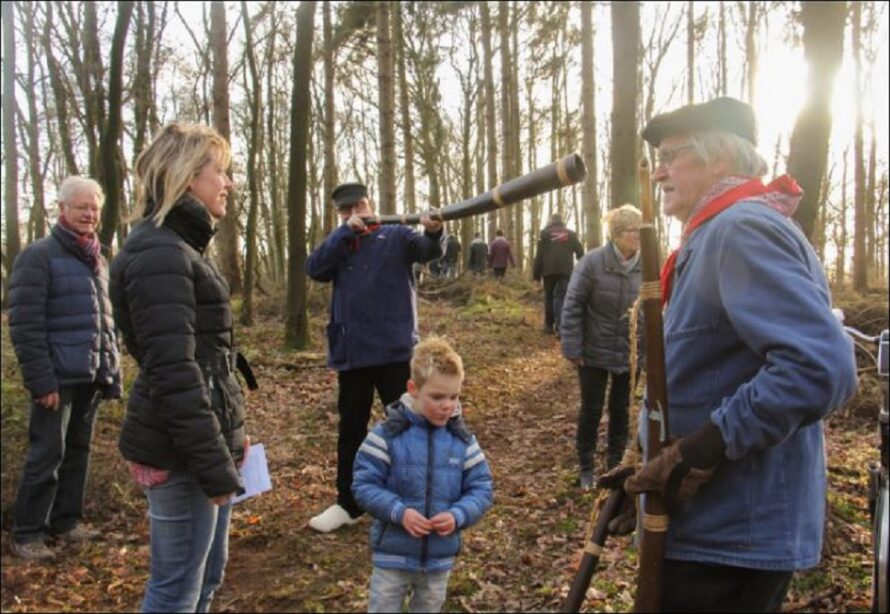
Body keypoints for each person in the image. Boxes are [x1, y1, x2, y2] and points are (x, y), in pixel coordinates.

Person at [601, 96, 857, 612]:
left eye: (672, 156)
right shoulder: (716, 234)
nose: (659, 173)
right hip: (713, 531)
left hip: (732, 537)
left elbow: (819, 368)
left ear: (718, 157)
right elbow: (708, 371)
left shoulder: (740, 230)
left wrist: (697, 451)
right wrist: (652, 456)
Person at [110, 123, 253, 612]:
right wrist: (214, 462)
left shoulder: (180, 248)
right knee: (176, 592)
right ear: (189, 175)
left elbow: (209, 361)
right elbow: (173, 371)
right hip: (180, 455)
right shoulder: (159, 255)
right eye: (222, 171)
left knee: (206, 579)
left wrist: (230, 437)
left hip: (200, 443)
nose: (229, 184)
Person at [306, 182, 446, 533]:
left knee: (407, 427)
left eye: (360, 205)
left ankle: (416, 500)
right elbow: (314, 269)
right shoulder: (339, 242)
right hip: (352, 354)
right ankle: (348, 503)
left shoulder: (397, 234)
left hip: (395, 350)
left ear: (370, 203)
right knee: (351, 431)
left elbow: (428, 250)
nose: (355, 213)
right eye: (346, 209)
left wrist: (435, 230)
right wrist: (342, 234)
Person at [7, 176, 122, 561]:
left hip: (89, 375)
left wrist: (110, 371)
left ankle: (67, 522)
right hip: (55, 378)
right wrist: (41, 380)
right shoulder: (38, 257)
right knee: (46, 454)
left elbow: (105, 320)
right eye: (81, 207)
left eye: (94, 208)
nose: (89, 214)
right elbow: (25, 324)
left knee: (79, 452)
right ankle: (27, 533)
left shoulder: (97, 258)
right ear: (62, 209)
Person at [352, 337, 493, 613]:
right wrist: (399, 512)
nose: (447, 405)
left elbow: (482, 488)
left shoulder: (462, 440)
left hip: (439, 558)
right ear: (413, 389)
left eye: (454, 397)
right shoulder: (387, 435)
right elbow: (363, 484)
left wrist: (458, 515)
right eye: (437, 397)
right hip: (392, 554)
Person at [560, 205, 642, 489]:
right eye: (634, 231)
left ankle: (615, 465)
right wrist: (572, 346)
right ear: (617, 234)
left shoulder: (648, 265)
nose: (639, 236)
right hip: (593, 350)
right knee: (592, 409)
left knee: (621, 410)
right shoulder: (592, 262)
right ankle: (585, 466)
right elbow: (572, 305)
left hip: (630, 352)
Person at [533, 213, 584, 335]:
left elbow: (539, 255)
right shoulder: (571, 234)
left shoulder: (544, 234)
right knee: (562, 297)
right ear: (562, 221)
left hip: (548, 271)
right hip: (565, 270)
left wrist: (536, 274)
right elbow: (580, 253)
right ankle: (562, 327)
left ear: (551, 221)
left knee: (549, 297)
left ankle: (549, 326)